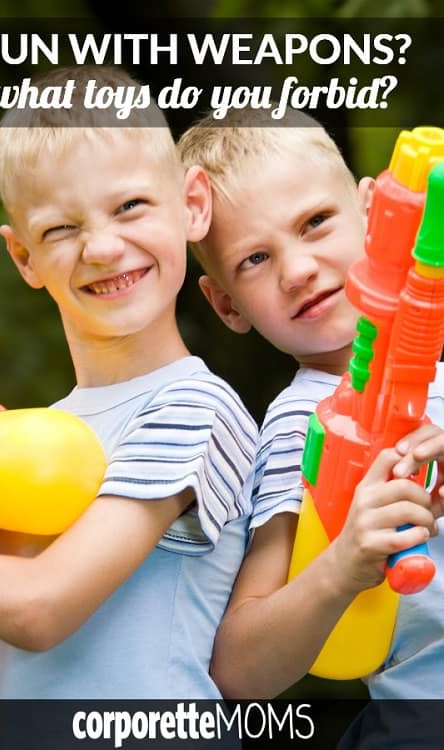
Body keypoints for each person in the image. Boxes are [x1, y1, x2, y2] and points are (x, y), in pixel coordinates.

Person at [0, 65, 258, 700]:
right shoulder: (24, 445)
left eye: (130, 206)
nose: (104, 247)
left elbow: (39, 610)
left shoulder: (195, 408)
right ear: (24, 257)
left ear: (191, 204)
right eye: (62, 228)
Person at [178, 109, 444, 701]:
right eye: (255, 259)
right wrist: (344, 561)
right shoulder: (304, 424)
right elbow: (239, 669)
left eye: (316, 222)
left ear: (377, 214)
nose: (297, 270)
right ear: (226, 305)